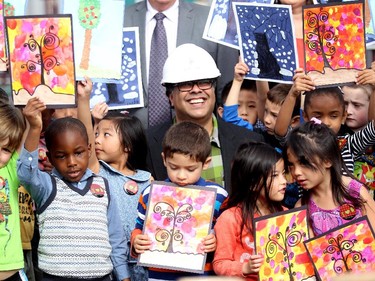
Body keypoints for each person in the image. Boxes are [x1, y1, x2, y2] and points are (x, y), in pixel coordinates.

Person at [17, 97, 128, 281]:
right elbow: (25, 173)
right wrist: (34, 128)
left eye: (78, 153)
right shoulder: (46, 186)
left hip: (101, 276)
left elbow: (115, 237)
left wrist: (123, 275)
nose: (71, 162)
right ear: (50, 159)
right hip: (56, 277)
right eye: (61, 156)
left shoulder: (102, 186)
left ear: (89, 150)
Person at [146, 44, 263, 192]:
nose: (196, 90)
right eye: (185, 84)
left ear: (214, 90)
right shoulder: (147, 143)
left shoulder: (249, 142)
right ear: (171, 97)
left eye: (204, 82)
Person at [131, 121, 228, 280]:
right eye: (174, 167)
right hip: (159, 276)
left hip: (201, 275)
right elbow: (138, 228)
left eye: (190, 169)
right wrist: (136, 240)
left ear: (206, 163)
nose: (181, 175)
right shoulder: (150, 193)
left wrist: (216, 241)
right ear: (164, 159)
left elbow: (227, 235)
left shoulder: (219, 195)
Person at [77, 78, 152, 281]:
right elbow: (86, 140)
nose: (98, 139)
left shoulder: (148, 181)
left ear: (128, 145)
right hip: (109, 266)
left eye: (106, 134)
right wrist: (83, 99)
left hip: (143, 265)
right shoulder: (97, 171)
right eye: (96, 134)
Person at [123, 0, 238, 127]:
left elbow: (227, 88)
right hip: (129, 135)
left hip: (198, 136)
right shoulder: (118, 19)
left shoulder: (213, 19)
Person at [275, 70, 375, 173]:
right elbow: (280, 132)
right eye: (318, 116)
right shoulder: (300, 143)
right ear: (305, 116)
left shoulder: (348, 145)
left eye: (333, 116)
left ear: (344, 116)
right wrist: (292, 94)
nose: (326, 122)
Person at [285, 121, 375, 236]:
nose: (296, 172)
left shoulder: (356, 192)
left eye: (304, 163)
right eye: (291, 164)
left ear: (327, 160)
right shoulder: (301, 207)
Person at [213, 142, 287, 280]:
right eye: (275, 175)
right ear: (252, 183)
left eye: (284, 174)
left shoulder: (287, 214)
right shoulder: (230, 218)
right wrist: (245, 268)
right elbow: (220, 264)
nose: (284, 181)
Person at [0, 103, 27, 281]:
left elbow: (24, 143)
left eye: (5, 150)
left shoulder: (10, 170)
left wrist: (31, 119)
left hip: (11, 273)